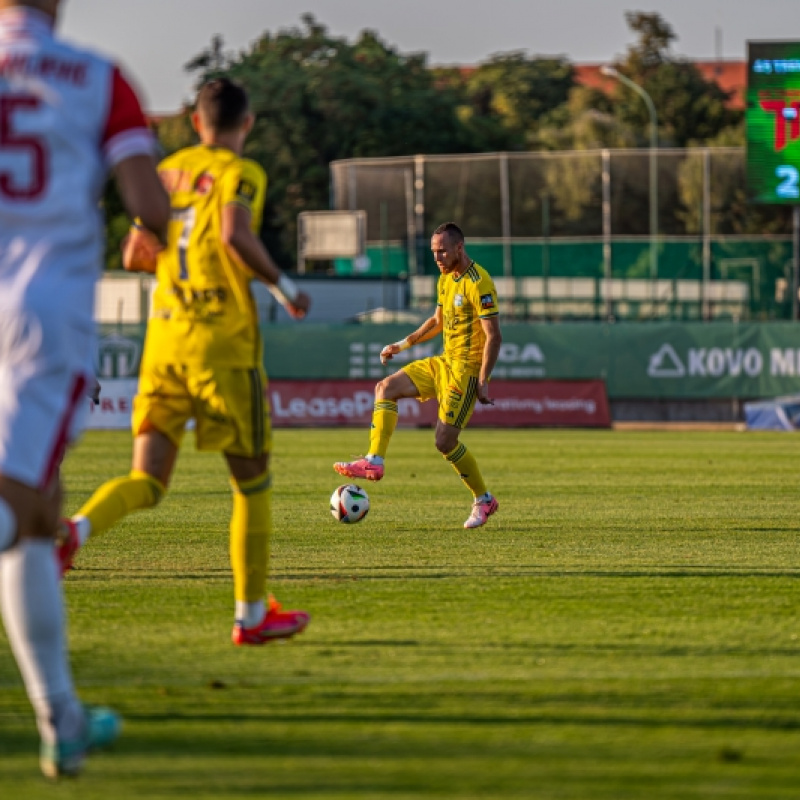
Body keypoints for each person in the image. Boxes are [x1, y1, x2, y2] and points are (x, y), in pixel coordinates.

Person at [58, 77, 312, 649]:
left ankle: (75, 531)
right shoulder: (241, 172)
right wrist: (285, 288)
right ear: (246, 125)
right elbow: (233, 233)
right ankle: (250, 615)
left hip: (166, 343)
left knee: (147, 479)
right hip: (221, 344)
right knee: (252, 484)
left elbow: (133, 252)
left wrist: (180, 268)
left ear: (196, 123)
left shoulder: (167, 170)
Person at [0, 0, 170, 778]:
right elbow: (147, 202)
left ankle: (61, 718)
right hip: (38, 320)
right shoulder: (102, 81)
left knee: (37, 514)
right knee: (17, 503)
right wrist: (146, 226)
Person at [334, 222, 502, 529]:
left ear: (459, 248)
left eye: (442, 251)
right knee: (385, 387)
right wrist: (402, 344)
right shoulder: (444, 278)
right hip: (443, 363)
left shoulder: (479, 283)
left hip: (464, 372)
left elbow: (494, 336)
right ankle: (375, 460)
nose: (437, 257)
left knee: (444, 441)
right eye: (434, 252)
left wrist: (483, 379)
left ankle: (483, 499)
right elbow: (438, 320)